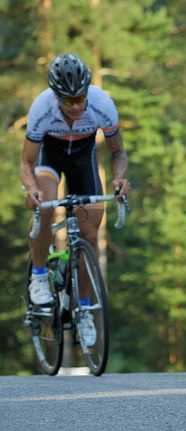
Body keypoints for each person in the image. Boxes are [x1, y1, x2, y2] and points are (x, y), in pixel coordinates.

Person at [20, 53, 131, 348]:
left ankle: (84, 310)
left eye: (80, 97)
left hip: (83, 160)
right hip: (49, 157)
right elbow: (26, 164)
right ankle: (39, 275)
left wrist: (119, 179)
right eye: (68, 100)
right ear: (55, 96)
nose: (76, 105)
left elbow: (118, 152)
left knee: (90, 235)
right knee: (45, 204)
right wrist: (31, 189)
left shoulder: (102, 104)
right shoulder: (41, 108)